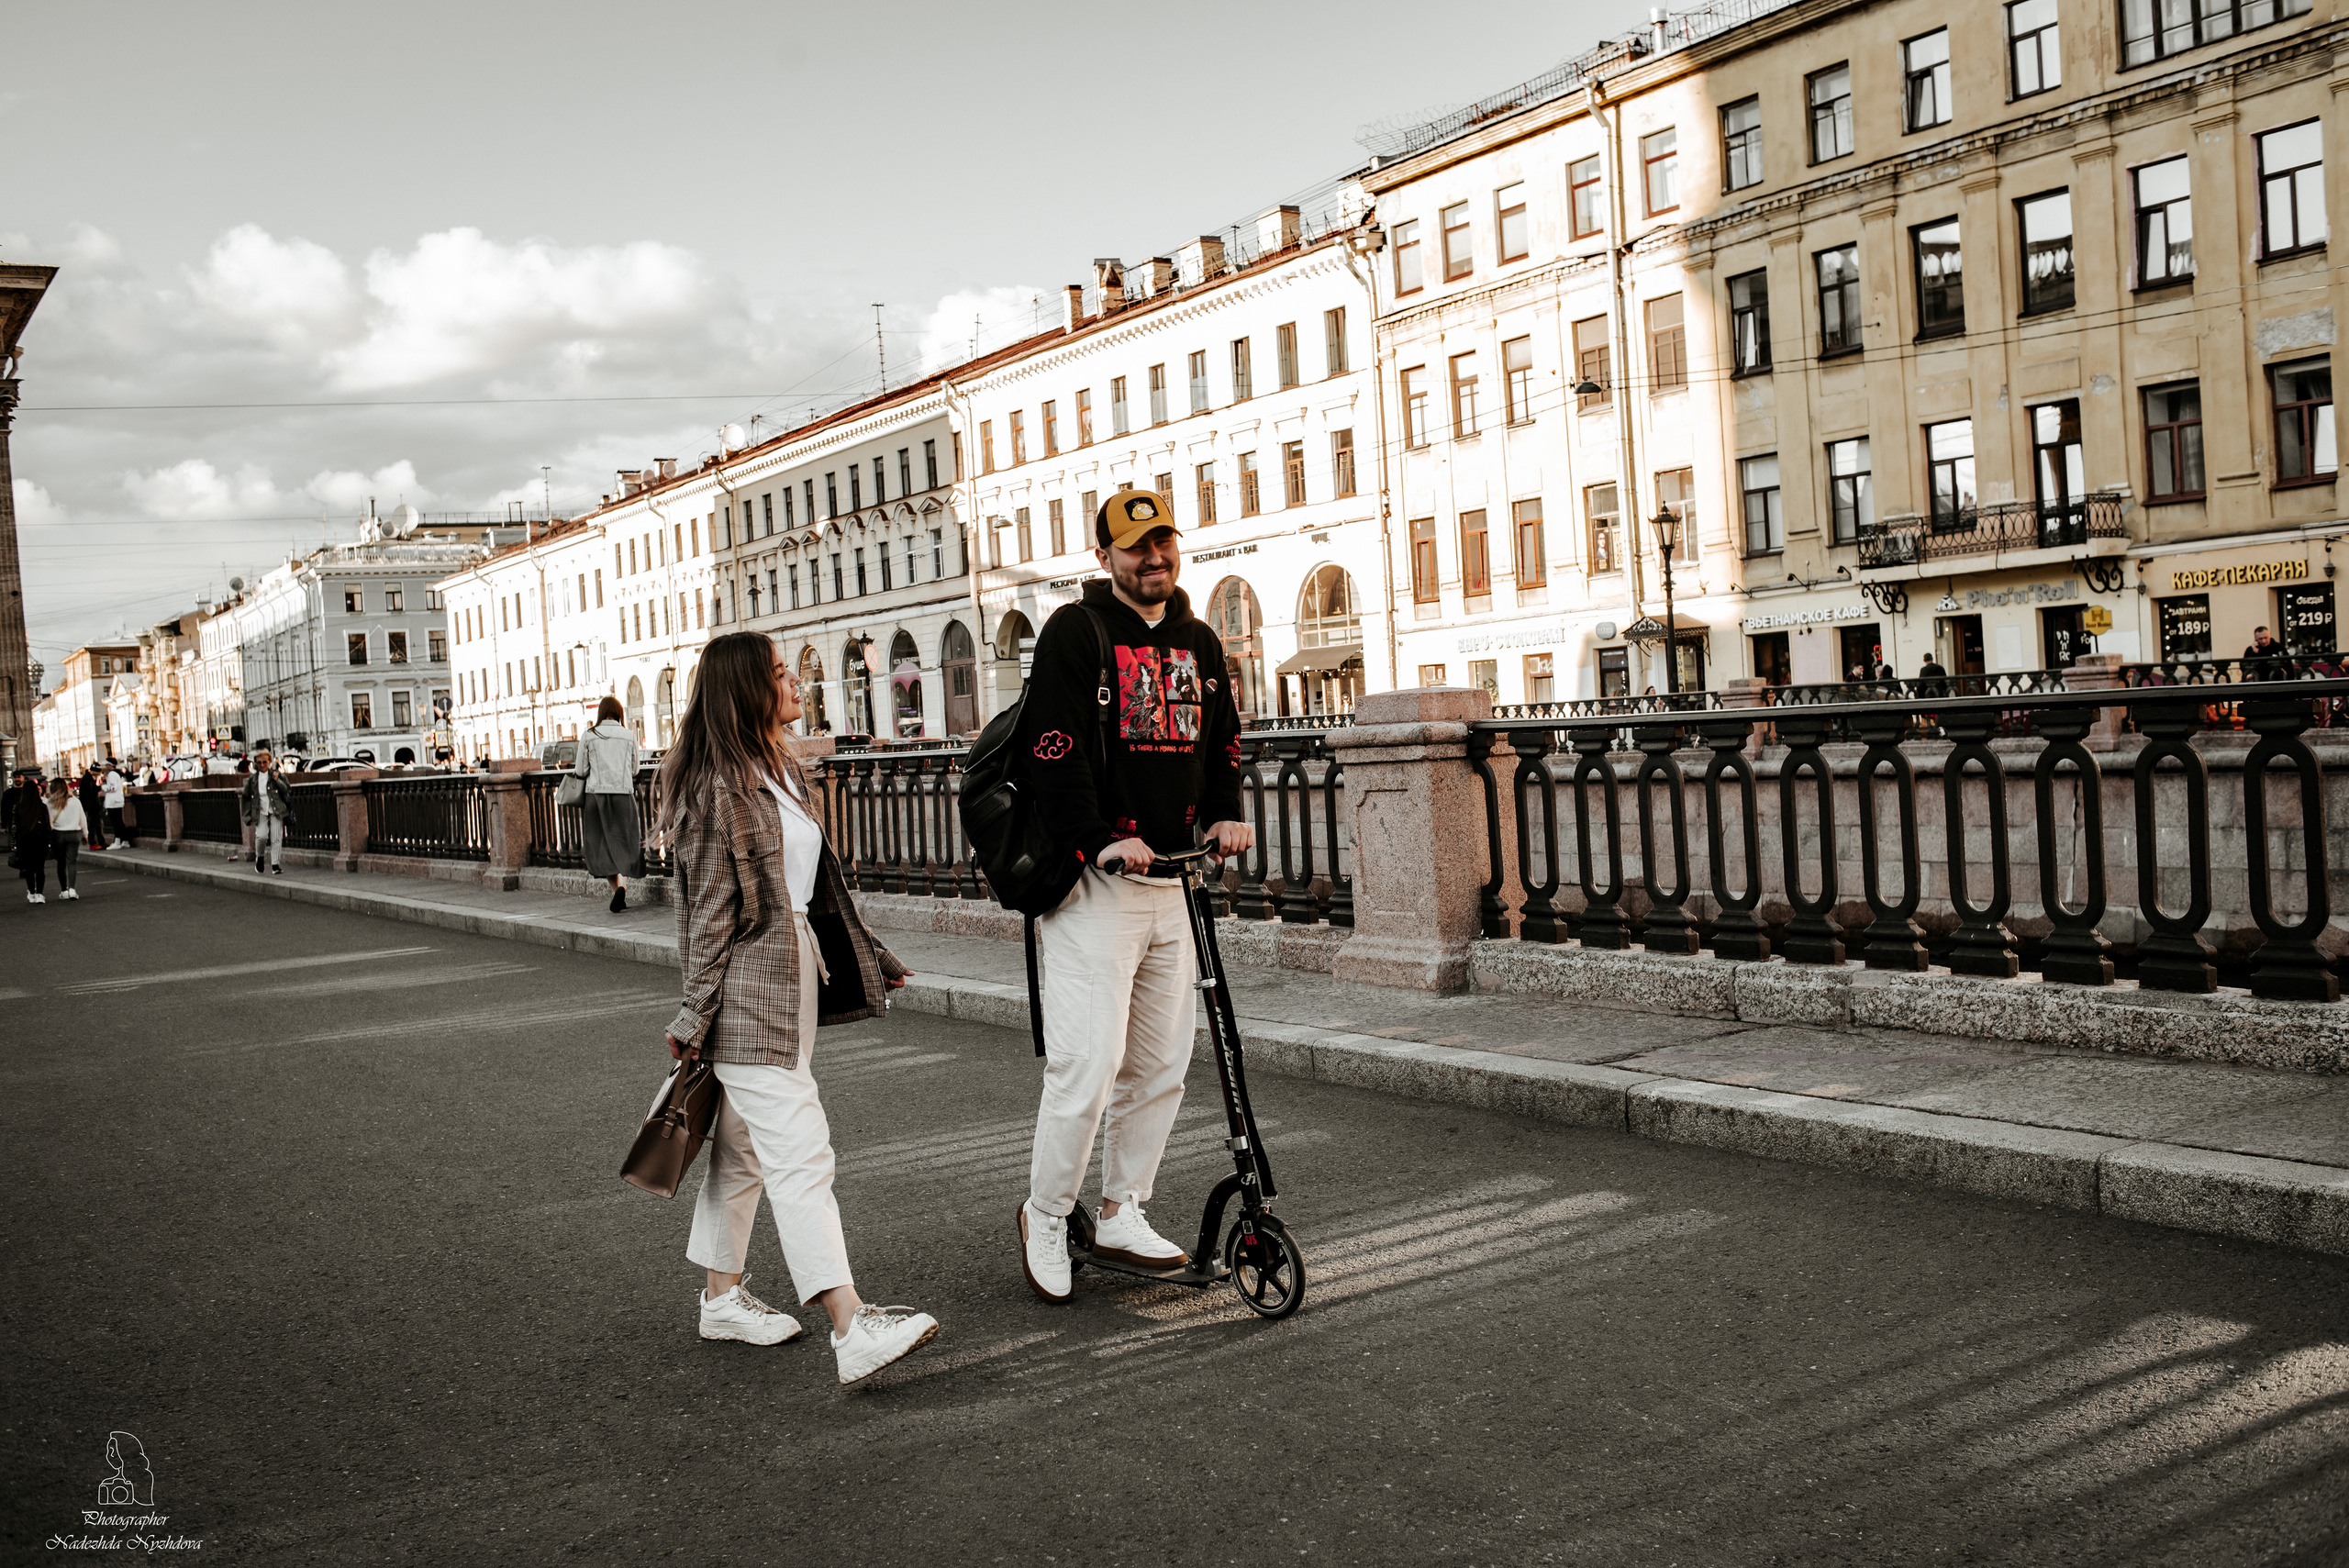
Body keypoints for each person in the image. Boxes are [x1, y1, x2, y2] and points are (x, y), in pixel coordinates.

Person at [656, 630, 937, 1385]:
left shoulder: (778, 769)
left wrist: (871, 954)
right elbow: (710, 916)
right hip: (748, 996)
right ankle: (851, 1323)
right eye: (779, 673)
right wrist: (693, 1016)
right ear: (747, 689)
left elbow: (810, 891)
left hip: (793, 982)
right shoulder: (718, 788)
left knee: (744, 1149)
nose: (792, 682)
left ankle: (720, 1297)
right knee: (801, 1151)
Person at [1009, 489, 1256, 1302]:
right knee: (1089, 1062)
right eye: (1135, 546)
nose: (1153, 558)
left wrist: (1226, 813)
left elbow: (1223, 746)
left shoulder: (1199, 641)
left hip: (1175, 881)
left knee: (1160, 1062)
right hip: (1098, 884)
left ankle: (1122, 1207)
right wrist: (1099, 835)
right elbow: (1054, 750)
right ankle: (1047, 1211)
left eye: (1163, 543)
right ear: (1104, 556)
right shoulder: (1075, 634)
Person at [573, 695, 646, 914]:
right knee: (627, 843)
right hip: (623, 794)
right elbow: (634, 770)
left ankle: (617, 891)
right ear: (619, 713)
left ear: (601, 713)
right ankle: (623, 887)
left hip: (596, 796)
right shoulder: (628, 735)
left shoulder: (589, 735)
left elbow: (580, 771)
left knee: (600, 847)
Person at [241, 749, 295, 875]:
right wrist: (247, 816)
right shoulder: (253, 780)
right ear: (255, 764)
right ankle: (260, 858)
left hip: (277, 810)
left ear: (269, 762)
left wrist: (277, 780)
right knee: (261, 836)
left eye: (264, 762)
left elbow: (287, 789)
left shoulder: (277, 775)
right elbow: (245, 797)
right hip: (259, 810)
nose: (262, 765)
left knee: (276, 837)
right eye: (259, 763)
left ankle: (275, 865)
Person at [47, 778, 86, 900]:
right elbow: (82, 818)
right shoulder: (75, 801)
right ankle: (72, 890)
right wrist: (86, 834)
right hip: (74, 833)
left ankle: (64, 890)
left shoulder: (50, 802)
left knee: (61, 863)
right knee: (72, 862)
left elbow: (49, 822)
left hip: (58, 834)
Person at [16, 777, 51, 904]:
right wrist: (49, 842)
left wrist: (14, 845)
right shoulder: (42, 806)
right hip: (40, 840)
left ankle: (31, 892)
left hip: (24, 841)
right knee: (40, 868)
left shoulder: (19, 807)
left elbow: (15, 828)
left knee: (29, 868)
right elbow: (47, 826)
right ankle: (40, 894)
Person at [103, 763, 135, 848]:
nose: (106, 767)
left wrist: (104, 787)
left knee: (116, 822)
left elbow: (113, 788)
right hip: (117, 800)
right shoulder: (118, 774)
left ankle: (117, 842)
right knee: (119, 822)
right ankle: (125, 841)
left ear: (110, 765)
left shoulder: (112, 774)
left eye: (107, 765)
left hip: (113, 802)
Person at [78, 768, 108, 851]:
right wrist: (99, 787)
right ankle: (93, 843)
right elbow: (90, 791)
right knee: (92, 825)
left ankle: (101, 842)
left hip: (94, 806)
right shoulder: (87, 779)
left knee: (98, 824)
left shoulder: (89, 778)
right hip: (90, 806)